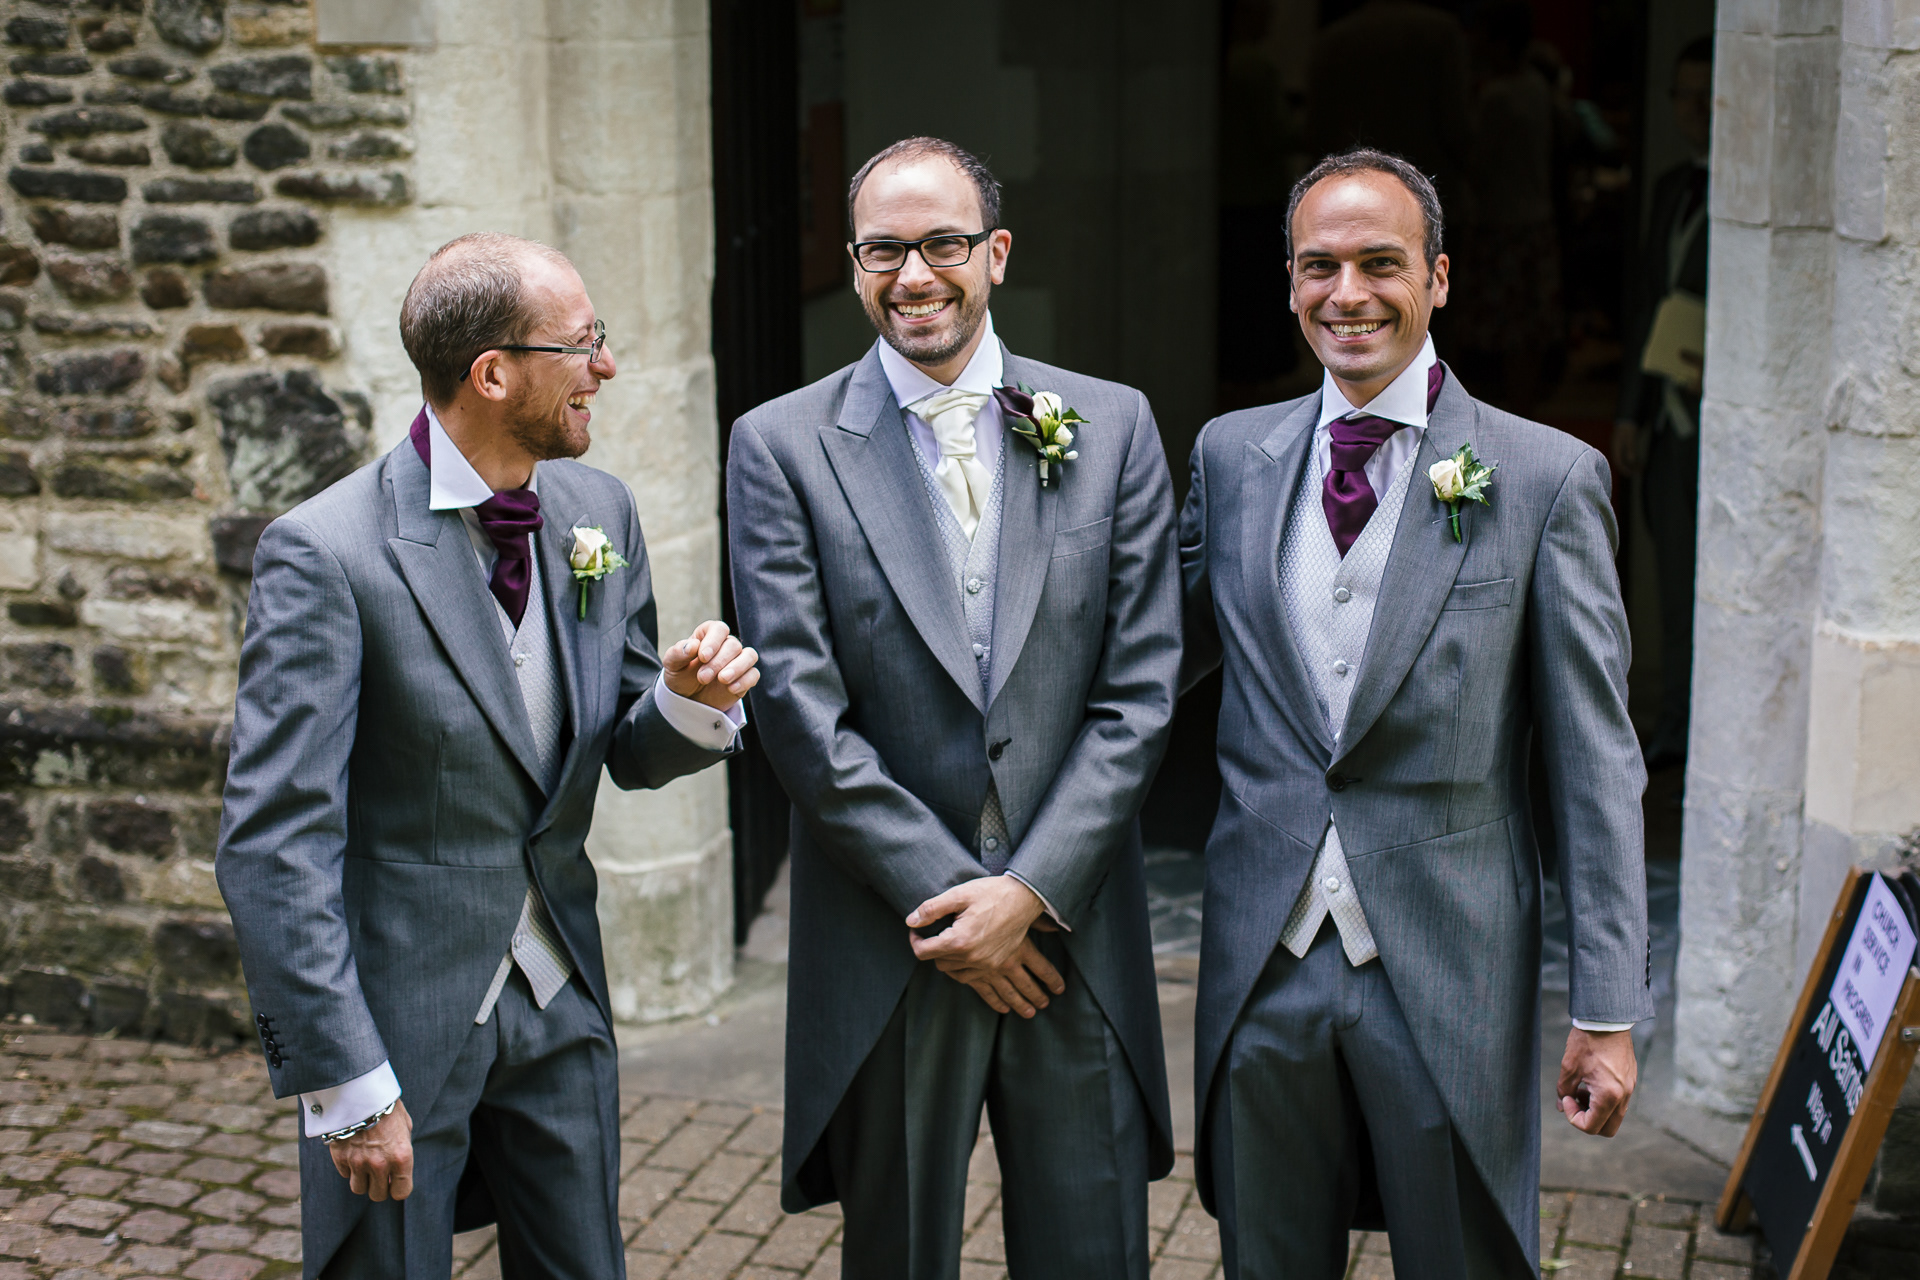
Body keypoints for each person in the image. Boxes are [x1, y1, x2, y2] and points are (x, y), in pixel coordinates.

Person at [216, 234, 759, 1278]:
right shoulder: (325, 555)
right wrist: (344, 1079)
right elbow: (272, 843)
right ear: (493, 372)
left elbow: (619, 750)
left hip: (560, 995)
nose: (605, 365)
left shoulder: (599, 513)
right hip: (400, 1023)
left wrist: (688, 706)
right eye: (584, 343)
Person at [1180, 149, 1651, 1278]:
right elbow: (1147, 670)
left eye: (1381, 263)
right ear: (1289, 281)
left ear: (1439, 277)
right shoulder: (1230, 456)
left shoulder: (1546, 479)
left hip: (1448, 965)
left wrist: (1608, 1005)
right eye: (1320, 266)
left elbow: (1596, 759)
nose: (1349, 293)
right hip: (1266, 956)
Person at [727, 137, 1180, 1278]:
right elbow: (801, 714)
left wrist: (1026, 895)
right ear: (854, 261)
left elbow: (1139, 689)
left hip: (1067, 939)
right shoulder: (779, 447)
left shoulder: (1113, 425)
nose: (914, 274)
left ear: (997, 253)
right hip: (897, 942)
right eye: (885, 249)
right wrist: (956, 911)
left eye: (942, 243)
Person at [1615, 35, 1714, 771]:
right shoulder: (1670, 186)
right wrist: (1632, 410)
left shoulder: (1752, 191)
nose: (1695, 110)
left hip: (1722, 414)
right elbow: (1648, 302)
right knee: (1670, 576)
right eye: (1684, 95)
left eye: (1709, 96)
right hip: (1669, 411)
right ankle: (1674, 722)